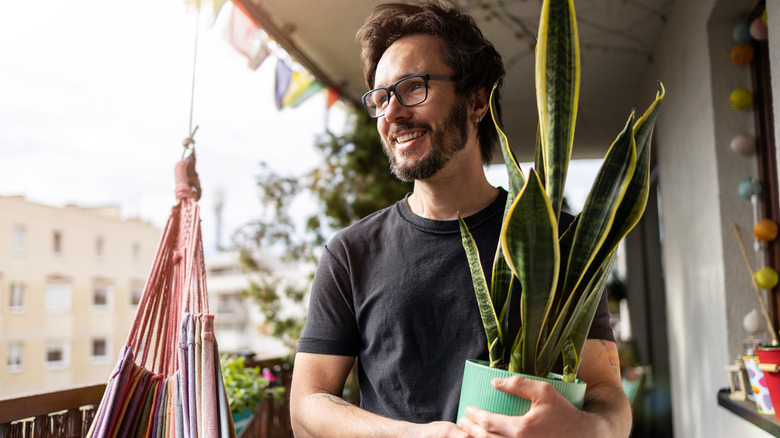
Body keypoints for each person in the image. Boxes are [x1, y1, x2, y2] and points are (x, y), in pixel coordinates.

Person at [289, 1, 632, 437]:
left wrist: (589, 429)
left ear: (476, 101)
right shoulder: (351, 253)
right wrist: (418, 436)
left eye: (413, 87)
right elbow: (306, 408)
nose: (391, 113)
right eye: (381, 97)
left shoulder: (558, 240)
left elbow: (607, 392)